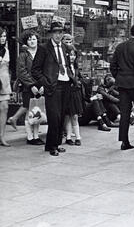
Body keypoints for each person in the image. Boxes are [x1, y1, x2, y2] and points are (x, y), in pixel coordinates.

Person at [31, 21, 72, 156]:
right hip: (52, 86)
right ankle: (53, 146)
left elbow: (68, 65)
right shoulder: (44, 48)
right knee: (54, 117)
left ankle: (53, 144)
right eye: (56, 32)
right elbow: (35, 70)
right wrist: (45, 82)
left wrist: (72, 78)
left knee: (61, 117)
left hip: (65, 84)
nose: (58, 35)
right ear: (51, 33)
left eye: (60, 32)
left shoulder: (65, 47)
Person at [110, 23, 134, 150]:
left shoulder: (120, 47)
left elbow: (112, 65)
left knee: (124, 113)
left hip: (122, 84)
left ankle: (124, 141)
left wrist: (119, 77)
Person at [14, 30, 45, 145]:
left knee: (38, 111)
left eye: (34, 39)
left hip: (40, 87)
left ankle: (36, 136)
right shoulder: (23, 55)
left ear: (37, 40)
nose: (32, 41)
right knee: (29, 111)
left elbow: (45, 70)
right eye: (29, 39)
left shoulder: (42, 53)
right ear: (26, 41)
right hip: (28, 88)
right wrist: (31, 85)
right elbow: (21, 72)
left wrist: (43, 85)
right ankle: (30, 137)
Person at [64, 45, 84, 146]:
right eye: (70, 55)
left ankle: (77, 136)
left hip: (75, 92)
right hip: (68, 92)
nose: (72, 57)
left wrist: (78, 82)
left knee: (74, 115)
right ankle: (69, 137)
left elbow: (79, 78)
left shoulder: (75, 67)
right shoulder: (65, 67)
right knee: (68, 115)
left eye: (74, 55)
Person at [0, 27, 11, 146]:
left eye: (4, 36)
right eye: (1, 36)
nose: (2, 39)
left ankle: (2, 136)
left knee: (4, 108)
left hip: (4, 82)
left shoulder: (6, 50)